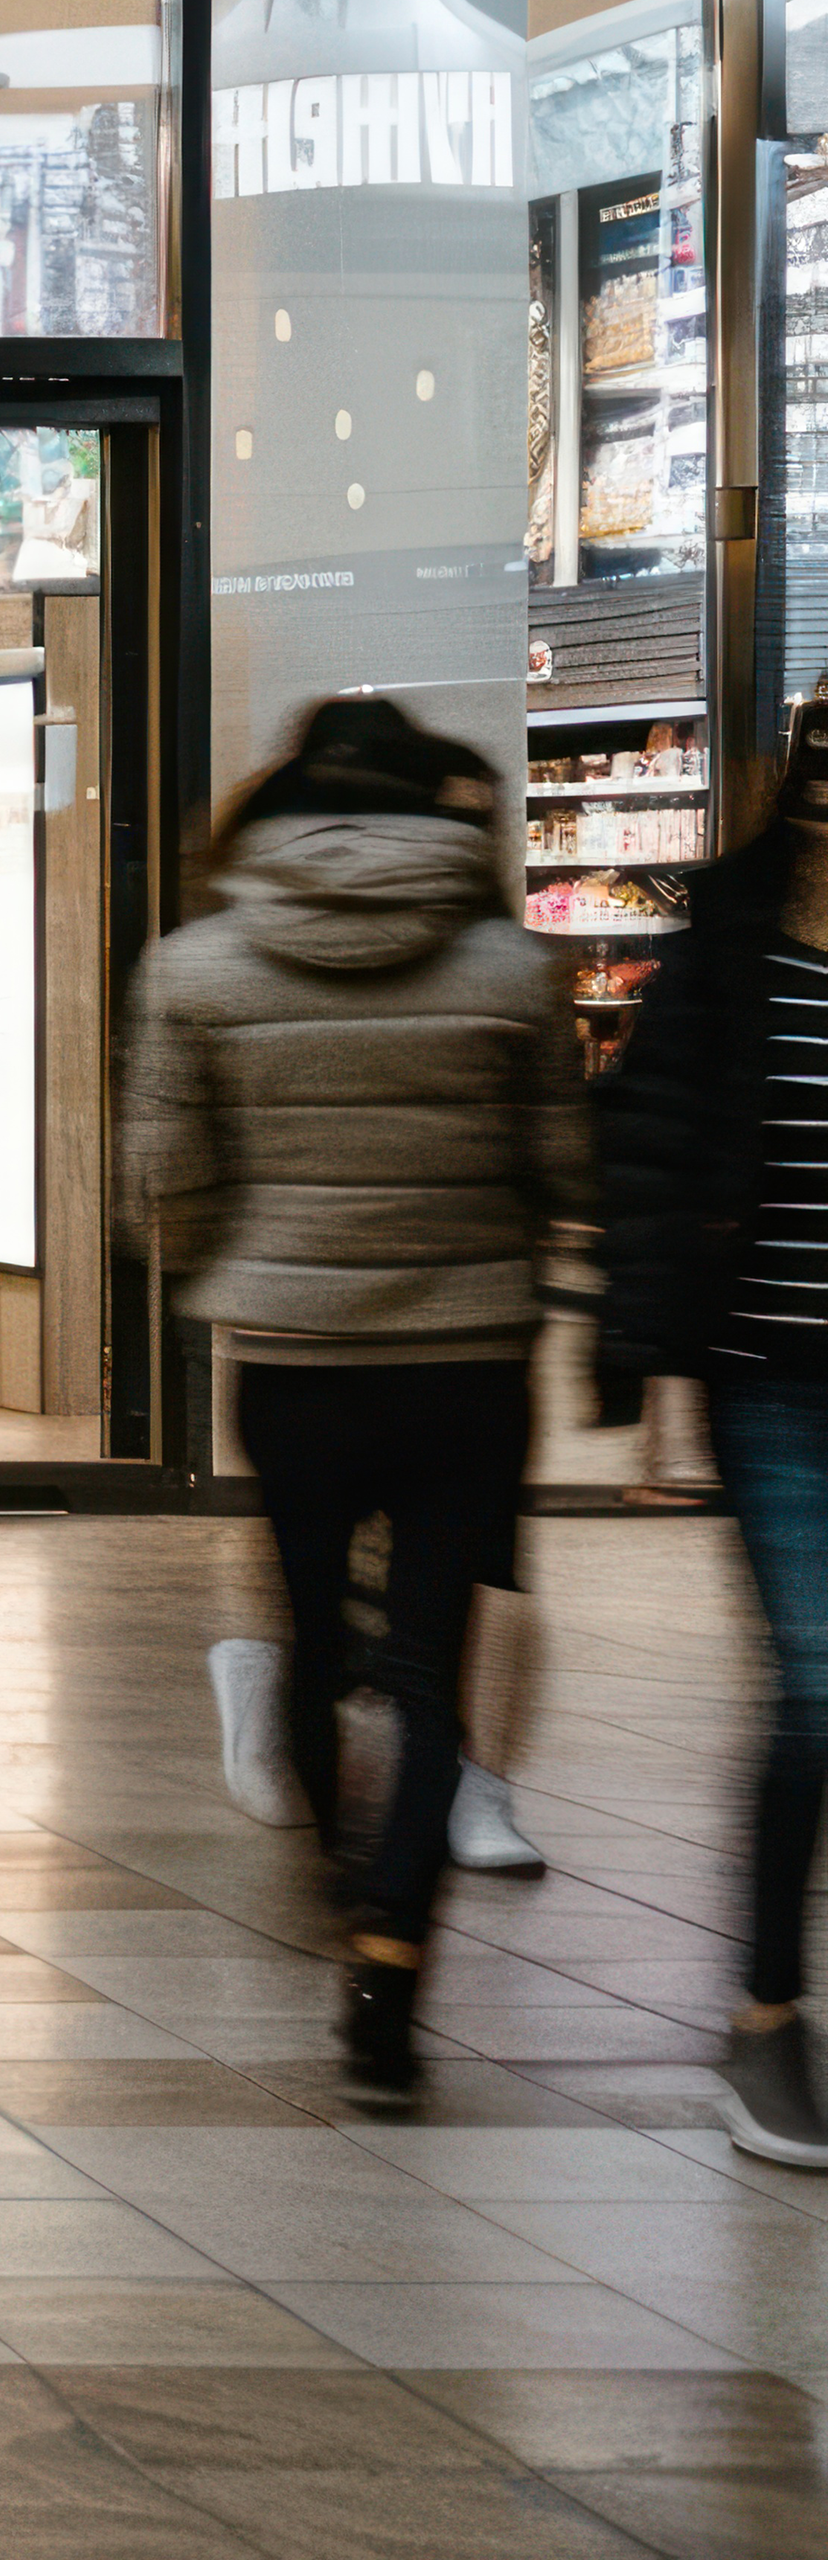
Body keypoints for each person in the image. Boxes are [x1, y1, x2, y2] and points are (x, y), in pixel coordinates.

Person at [127, 695, 582, 2095]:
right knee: (433, 1664)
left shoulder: (196, 966)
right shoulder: (513, 971)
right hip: (467, 1360)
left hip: (294, 1359)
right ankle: (395, 1947)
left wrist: (231, 1266)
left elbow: (165, 1177)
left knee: (313, 1633)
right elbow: (562, 1167)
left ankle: (344, 1871)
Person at [590, 685, 828, 2165]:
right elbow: (653, 1161)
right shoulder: (733, 958)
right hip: (777, 1379)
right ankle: (763, 2019)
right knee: (817, 1686)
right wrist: (653, 1377)